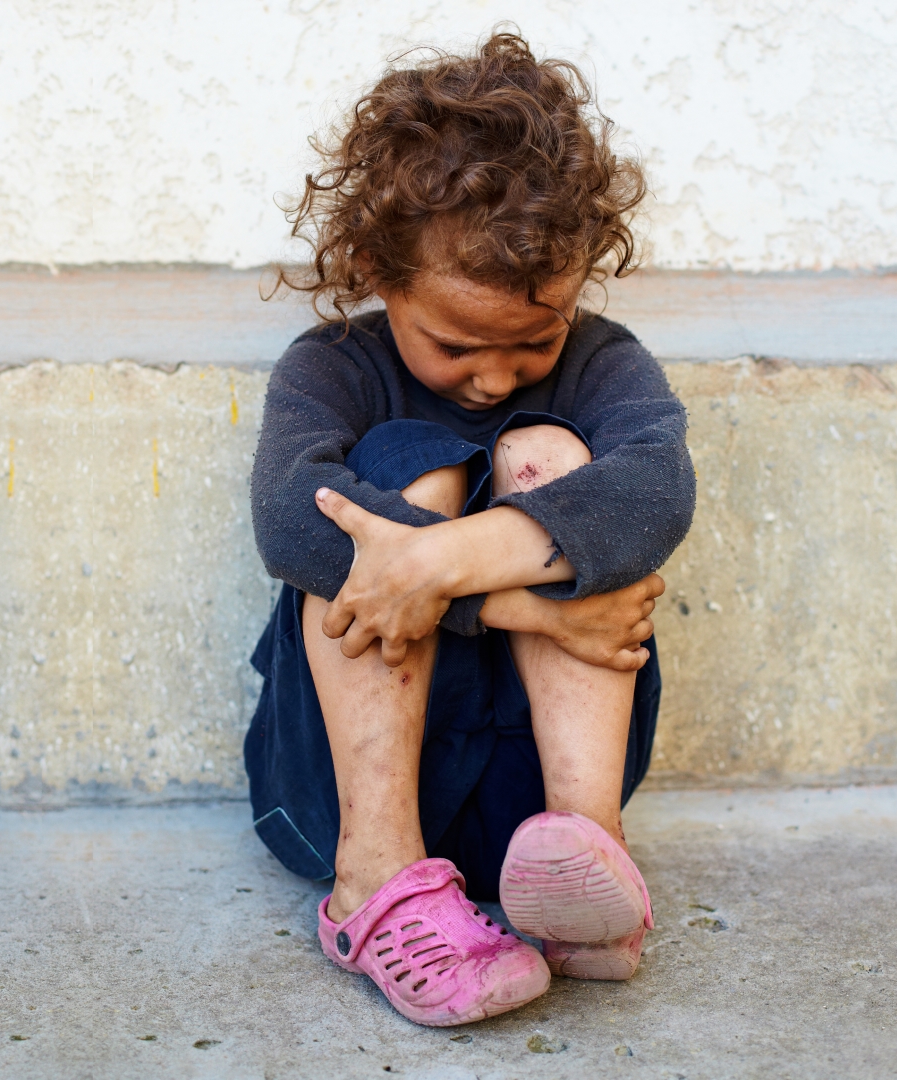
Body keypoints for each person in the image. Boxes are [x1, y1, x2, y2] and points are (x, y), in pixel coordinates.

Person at [243, 31, 694, 1027]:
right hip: (339, 799)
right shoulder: (330, 370)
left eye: (534, 339)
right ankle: (379, 888)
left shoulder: (603, 364)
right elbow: (290, 526)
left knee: (557, 461)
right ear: (376, 271)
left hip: (528, 819)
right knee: (408, 462)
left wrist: (440, 562)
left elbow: (656, 494)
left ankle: (587, 862)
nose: (493, 376)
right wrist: (524, 611)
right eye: (455, 343)